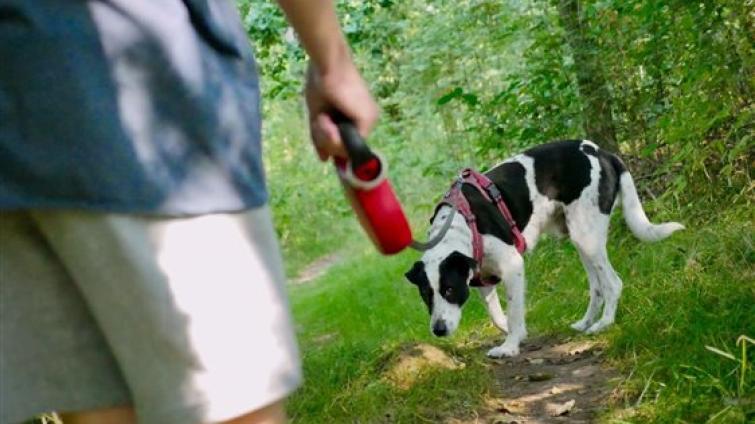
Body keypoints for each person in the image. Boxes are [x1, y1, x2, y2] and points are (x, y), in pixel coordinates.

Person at [0, 0, 378, 423]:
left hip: (17, 115)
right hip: (144, 91)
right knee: (233, 407)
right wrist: (333, 63)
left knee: (102, 412)